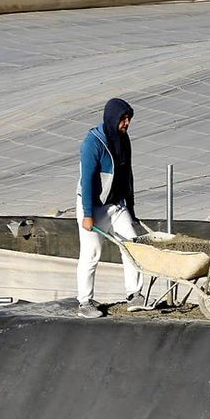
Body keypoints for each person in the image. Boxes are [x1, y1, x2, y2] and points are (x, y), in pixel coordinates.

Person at [76, 97, 145, 317]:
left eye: (129, 119)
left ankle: (134, 294)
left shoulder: (124, 139)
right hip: (94, 206)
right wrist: (87, 214)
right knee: (91, 253)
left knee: (132, 245)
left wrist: (130, 208)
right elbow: (87, 180)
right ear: (112, 118)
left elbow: (128, 175)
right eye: (123, 119)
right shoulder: (92, 143)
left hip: (116, 205)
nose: (127, 123)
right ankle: (85, 302)